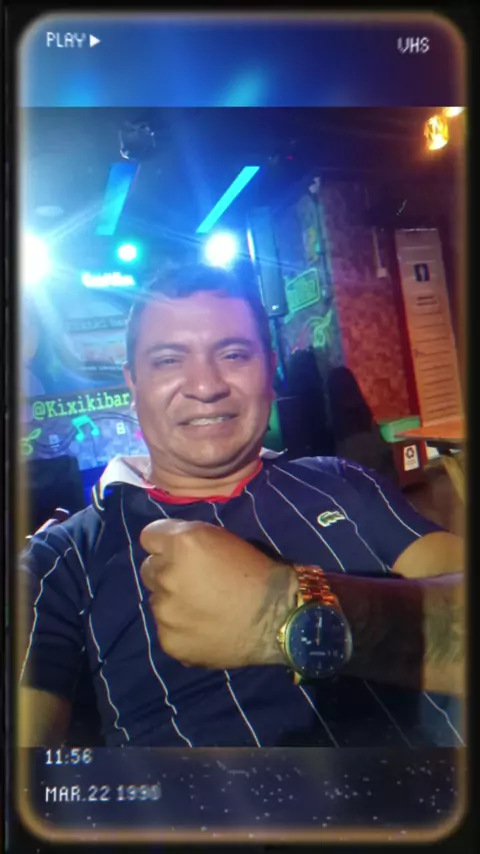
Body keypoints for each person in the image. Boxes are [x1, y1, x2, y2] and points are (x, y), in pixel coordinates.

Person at [18, 265, 465, 749]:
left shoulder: (342, 480)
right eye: (168, 361)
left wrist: (281, 610)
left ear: (269, 370)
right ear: (133, 383)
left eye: (233, 354)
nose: (206, 386)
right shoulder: (61, 557)